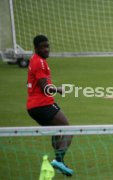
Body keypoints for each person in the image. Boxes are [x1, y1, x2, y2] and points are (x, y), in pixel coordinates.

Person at [26, 35, 73, 176]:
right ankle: (58, 160)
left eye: (47, 46)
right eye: (43, 47)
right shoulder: (39, 62)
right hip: (42, 105)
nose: (46, 49)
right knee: (69, 130)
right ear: (36, 48)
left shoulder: (35, 60)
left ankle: (60, 162)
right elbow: (44, 87)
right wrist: (59, 89)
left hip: (33, 107)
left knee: (57, 132)